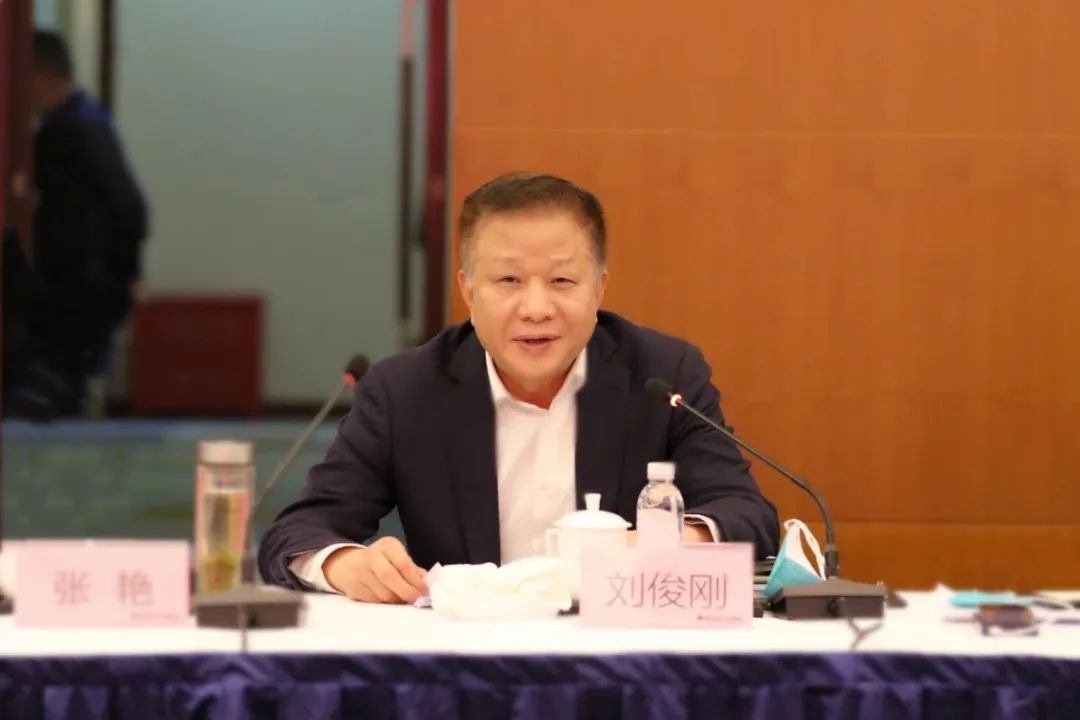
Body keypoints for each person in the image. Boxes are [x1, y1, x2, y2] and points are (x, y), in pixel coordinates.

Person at [258, 172, 779, 603]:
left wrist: (660, 542)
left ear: (599, 289)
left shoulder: (663, 376)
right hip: (466, 661)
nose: (536, 308)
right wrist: (349, 565)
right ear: (467, 289)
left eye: (562, 281)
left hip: (621, 653)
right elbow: (299, 533)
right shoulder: (405, 390)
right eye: (508, 281)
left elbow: (746, 514)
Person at [22, 30, 148, 414]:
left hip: (81, 283)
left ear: (40, 78)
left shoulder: (74, 130)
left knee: (59, 385)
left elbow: (128, 206)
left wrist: (125, 273)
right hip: (84, 280)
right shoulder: (80, 122)